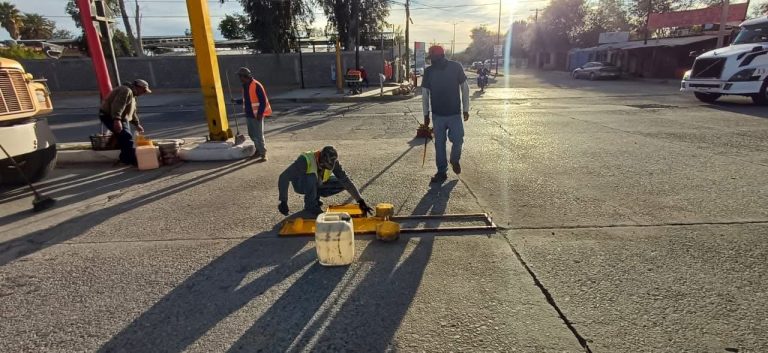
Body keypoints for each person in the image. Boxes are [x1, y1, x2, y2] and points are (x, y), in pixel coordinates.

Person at [421, 45, 470, 184]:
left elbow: (465, 88)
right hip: (437, 115)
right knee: (439, 145)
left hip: (454, 113)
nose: (431, 61)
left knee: (458, 139)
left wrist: (466, 109)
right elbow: (425, 94)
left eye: (432, 58)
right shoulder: (429, 71)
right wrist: (426, 114)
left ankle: (454, 160)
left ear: (440, 57)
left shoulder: (456, 67)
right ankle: (441, 172)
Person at [278, 146, 373, 216]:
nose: (324, 168)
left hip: (317, 182)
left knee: (342, 182)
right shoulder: (305, 160)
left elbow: (346, 181)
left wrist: (361, 202)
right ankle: (310, 206)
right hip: (301, 184)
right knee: (311, 177)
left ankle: (315, 197)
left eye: (327, 168)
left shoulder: (334, 162)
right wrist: (283, 201)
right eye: (323, 166)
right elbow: (284, 177)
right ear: (320, 158)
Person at [99, 79, 151, 166]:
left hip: (120, 118)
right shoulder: (126, 91)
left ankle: (125, 159)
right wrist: (117, 120)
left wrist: (137, 124)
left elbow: (132, 112)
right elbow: (118, 105)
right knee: (126, 137)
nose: (144, 93)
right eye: (144, 90)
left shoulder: (133, 95)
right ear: (138, 87)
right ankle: (133, 161)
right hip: (110, 116)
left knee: (123, 138)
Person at [232, 67, 271, 161]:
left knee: (258, 135)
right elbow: (247, 100)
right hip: (249, 114)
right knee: (252, 134)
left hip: (257, 115)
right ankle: (258, 151)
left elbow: (263, 101)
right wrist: (237, 101)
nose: (239, 78)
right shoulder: (245, 86)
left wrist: (260, 114)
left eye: (240, 76)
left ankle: (263, 153)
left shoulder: (256, 85)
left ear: (245, 76)